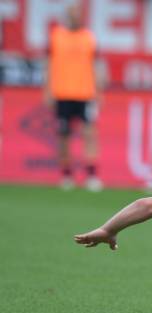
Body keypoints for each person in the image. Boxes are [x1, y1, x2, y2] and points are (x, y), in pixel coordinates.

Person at [44, 3, 102, 191]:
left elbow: (96, 65)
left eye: (77, 13)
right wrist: (48, 90)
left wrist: (98, 91)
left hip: (85, 93)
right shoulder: (56, 37)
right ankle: (66, 174)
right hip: (63, 92)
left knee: (89, 134)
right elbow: (48, 64)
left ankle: (91, 174)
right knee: (64, 136)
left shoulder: (88, 37)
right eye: (71, 13)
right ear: (66, 16)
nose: (74, 16)